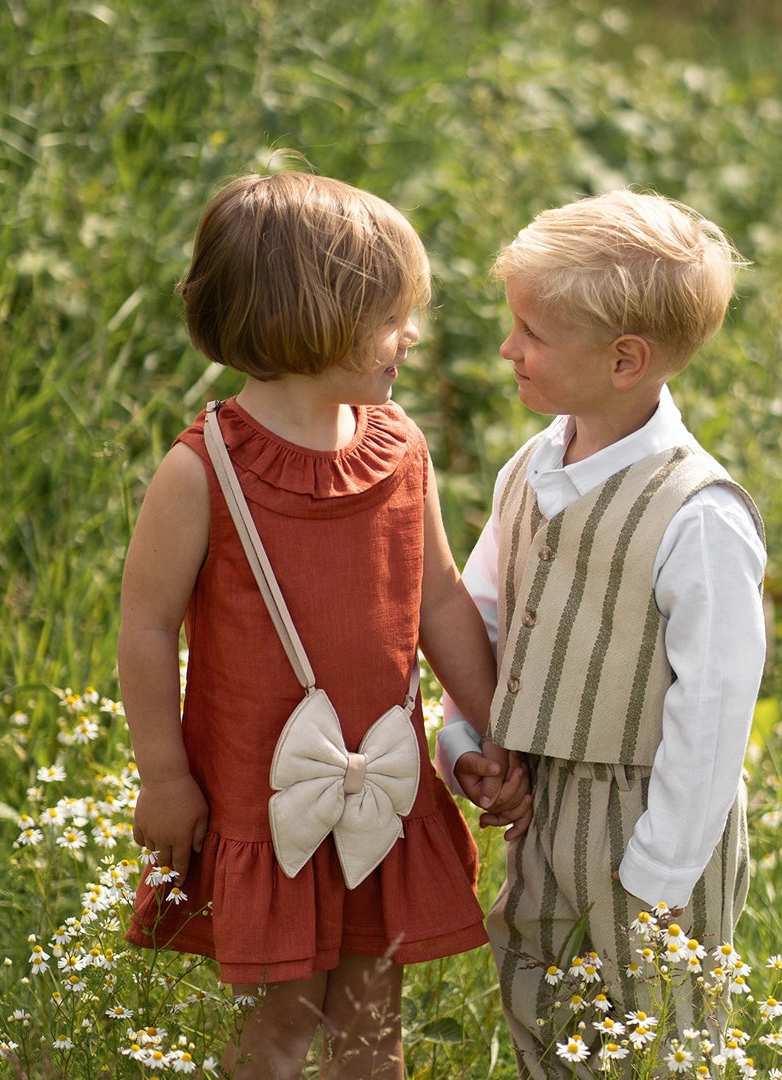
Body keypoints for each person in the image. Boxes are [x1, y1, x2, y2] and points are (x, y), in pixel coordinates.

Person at [119, 171, 529, 1080]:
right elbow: (146, 628)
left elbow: (439, 600)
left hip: (379, 791)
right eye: (391, 317)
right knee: (280, 1028)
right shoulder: (204, 470)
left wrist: (497, 727)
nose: (410, 335)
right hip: (266, 804)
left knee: (373, 1032)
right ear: (316, 318)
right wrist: (164, 778)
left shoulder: (398, 447)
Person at [437, 189, 767, 1078]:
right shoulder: (532, 467)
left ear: (625, 359)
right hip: (542, 805)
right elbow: (486, 615)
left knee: (655, 1034)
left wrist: (662, 872)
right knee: (540, 998)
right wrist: (467, 739)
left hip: (648, 821)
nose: (508, 348)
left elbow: (715, 707)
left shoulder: (698, 515)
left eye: (532, 332)